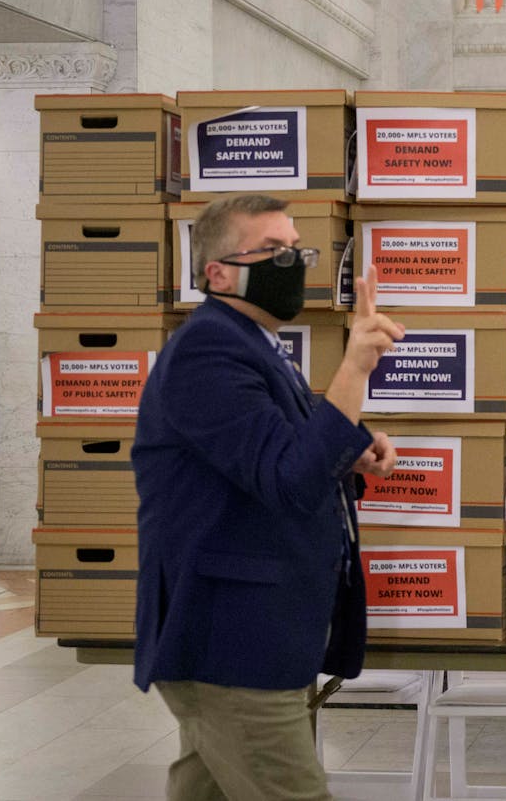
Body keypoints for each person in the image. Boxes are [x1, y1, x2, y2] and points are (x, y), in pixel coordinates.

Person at [131, 194, 405, 800]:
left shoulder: (251, 343)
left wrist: (350, 453)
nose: (292, 264)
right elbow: (289, 479)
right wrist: (356, 368)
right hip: (231, 643)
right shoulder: (209, 350)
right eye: (273, 251)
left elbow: (275, 452)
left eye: (296, 249)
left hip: (247, 634)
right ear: (218, 272)